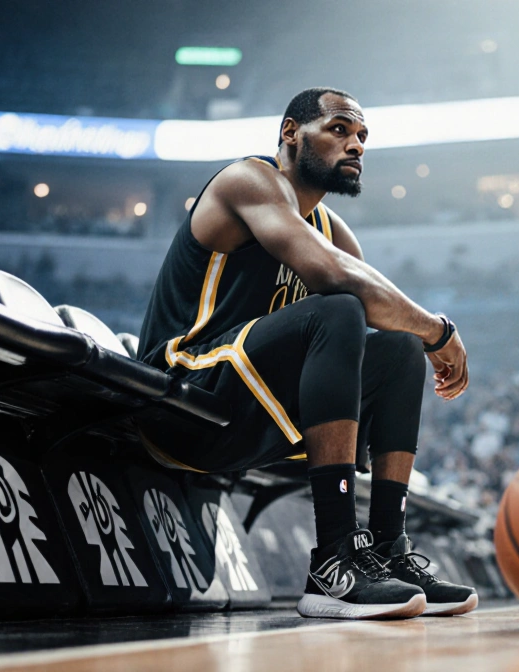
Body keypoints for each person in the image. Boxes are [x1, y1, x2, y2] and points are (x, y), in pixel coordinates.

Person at [136, 88, 475, 619]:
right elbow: (336, 280)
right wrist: (439, 329)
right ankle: (333, 559)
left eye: (362, 136)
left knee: (399, 349)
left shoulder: (332, 230)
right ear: (291, 133)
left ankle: (388, 549)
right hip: (181, 397)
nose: (356, 144)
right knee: (342, 309)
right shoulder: (247, 180)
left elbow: (368, 308)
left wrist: (422, 337)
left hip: (249, 412)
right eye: (339, 129)